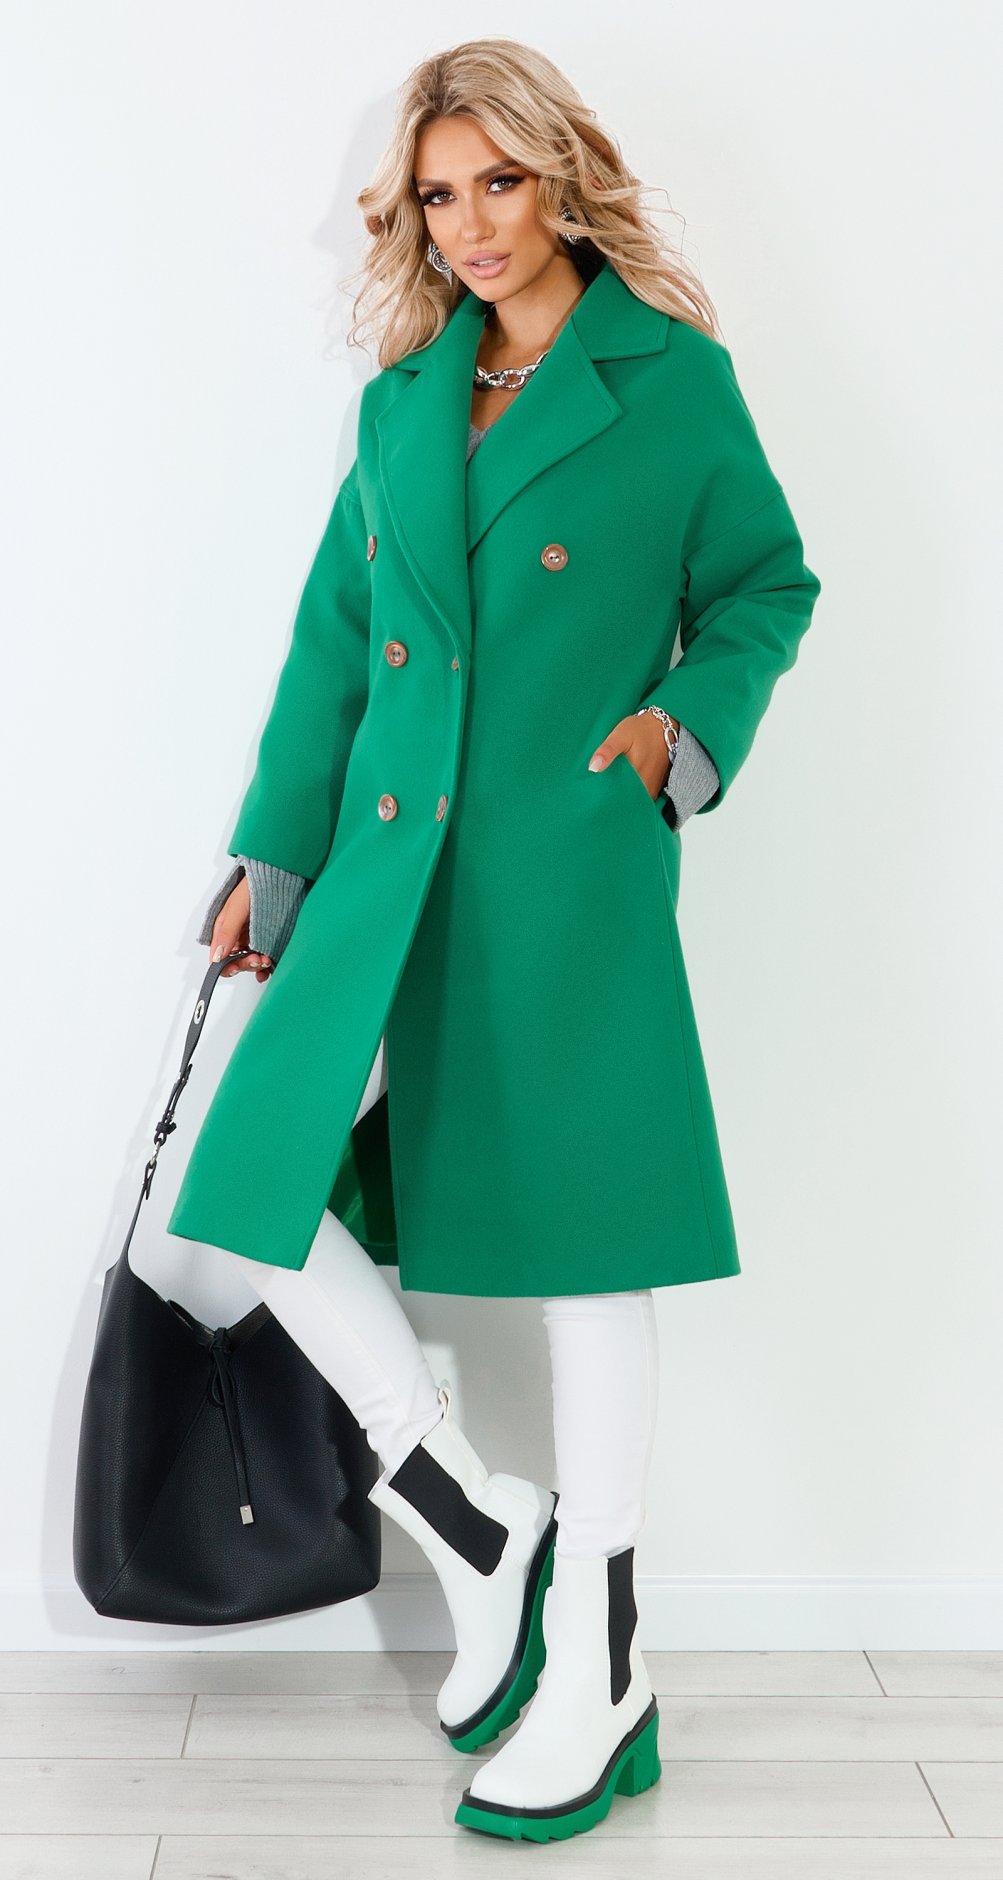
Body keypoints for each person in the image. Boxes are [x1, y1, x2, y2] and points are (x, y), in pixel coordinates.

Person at [172, 37, 822, 1845]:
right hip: (386, 862)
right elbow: (334, 639)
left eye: (499, 183)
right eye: (439, 194)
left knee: (586, 1251)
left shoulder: (665, 379)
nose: (469, 225)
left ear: (562, 178)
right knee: (246, 1189)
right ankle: (473, 1516)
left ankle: (601, 1661)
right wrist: (273, 856)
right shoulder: (403, 403)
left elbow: (766, 581)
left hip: (559, 861)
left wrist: (678, 732)